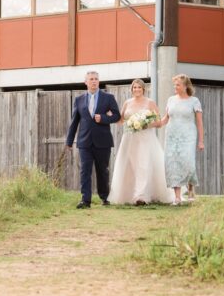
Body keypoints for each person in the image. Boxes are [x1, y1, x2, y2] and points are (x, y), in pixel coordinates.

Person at [109, 79, 173, 206]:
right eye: (135, 87)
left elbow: (158, 123)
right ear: (131, 89)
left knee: (143, 165)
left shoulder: (150, 103)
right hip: (129, 139)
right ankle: (128, 194)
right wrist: (110, 115)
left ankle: (140, 196)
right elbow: (121, 120)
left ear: (143, 89)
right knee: (129, 166)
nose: (137, 89)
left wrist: (145, 124)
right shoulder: (127, 103)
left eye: (139, 87)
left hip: (145, 138)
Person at [65, 70, 120, 209]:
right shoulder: (79, 100)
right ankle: (85, 200)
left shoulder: (108, 98)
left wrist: (103, 118)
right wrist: (69, 141)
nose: (94, 81)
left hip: (103, 141)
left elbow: (117, 116)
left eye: (96, 79)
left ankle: (105, 197)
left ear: (98, 81)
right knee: (85, 171)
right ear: (86, 82)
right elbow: (74, 122)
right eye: (91, 79)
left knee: (102, 171)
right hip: (84, 141)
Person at [158, 74, 204, 205]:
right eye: (175, 84)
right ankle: (177, 197)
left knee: (188, 163)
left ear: (185, 86)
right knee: (173, 165)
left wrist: (201, 141)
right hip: (171, 135)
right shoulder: (171, 100)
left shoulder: (194, 101)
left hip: (188, 135)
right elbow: (166, 119)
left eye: (177, 85)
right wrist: (152, 123)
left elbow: (199, 123)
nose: (175, 87)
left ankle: (190, 188)